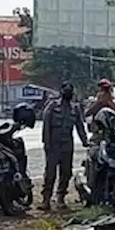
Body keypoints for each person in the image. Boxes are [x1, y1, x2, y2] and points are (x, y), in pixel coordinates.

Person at [40, 82, 88, 210]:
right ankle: (46, 200)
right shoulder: (52, 106)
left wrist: (85, 141)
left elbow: (80, 126)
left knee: (66, 173)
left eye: (70, 91)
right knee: (50, 173)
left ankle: (60, 198)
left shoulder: (75, 108)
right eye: (66, 90)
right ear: (61, 91)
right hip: (53, 144)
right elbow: (46, 125)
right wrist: (46, 143)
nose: (68, 93)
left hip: (67, 145)